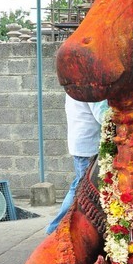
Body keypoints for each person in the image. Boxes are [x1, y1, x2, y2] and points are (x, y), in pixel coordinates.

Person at [46, 95, 108, 234]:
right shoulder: (88, 87)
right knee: (81, 190)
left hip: (82, 145)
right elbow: (103, 115)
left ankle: (55, 228)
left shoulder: (77, 85)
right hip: (88, 146)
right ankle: (55, 228)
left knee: (78, 186)